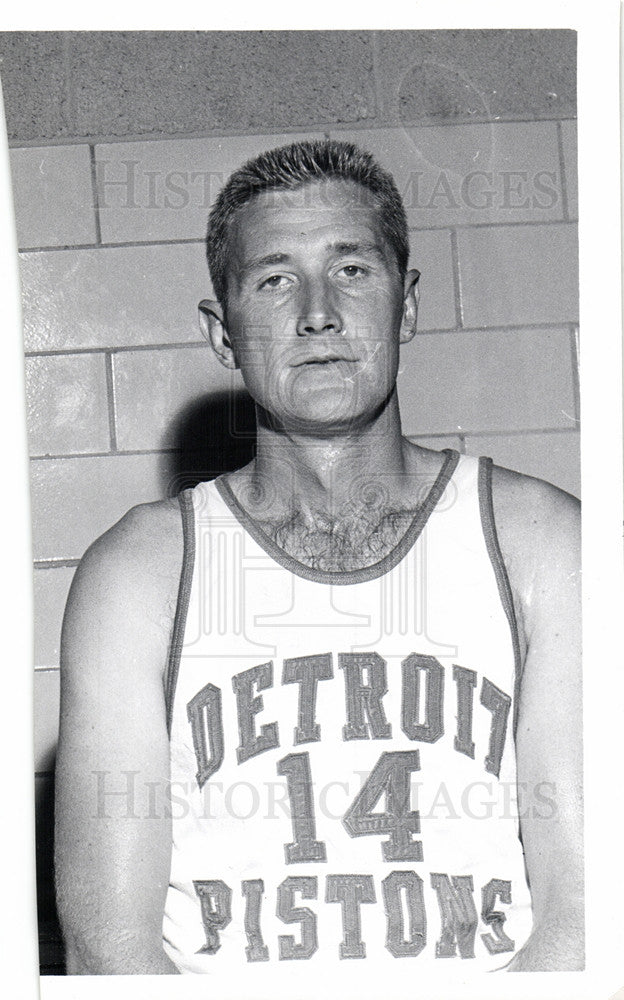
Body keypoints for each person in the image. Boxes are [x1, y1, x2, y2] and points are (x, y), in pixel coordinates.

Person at [55, 139, 583, 984]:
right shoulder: (137, 572)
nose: (316, 312)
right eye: (273, 280)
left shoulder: (544, 543)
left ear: (406, 307)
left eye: (352, 270)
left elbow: (585, 924)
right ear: (222, 332)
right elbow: (110, 952)